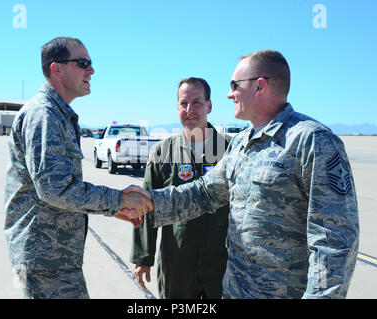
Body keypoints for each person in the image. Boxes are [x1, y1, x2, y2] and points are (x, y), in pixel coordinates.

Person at [125, 50, 360, 299]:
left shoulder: (311, 141)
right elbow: (205, 193)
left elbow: (334, 241)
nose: (230, 94)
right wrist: (147, 202)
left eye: (235, 85)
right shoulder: (241, 144)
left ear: (259, 86)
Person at [3, 37, 151, 299]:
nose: (91, 71)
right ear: (56, 69)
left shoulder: (57, 114)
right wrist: (119, 201)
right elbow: (55, 190)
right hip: (46, 261)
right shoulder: (44, 115)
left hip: (56, 258)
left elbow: (62, 189)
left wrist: (115, 209)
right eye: (83, 63)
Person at [130, 77, 231, 299]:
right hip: (177, 261)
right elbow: (144, 206)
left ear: (209, 106)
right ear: (177, 107)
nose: (190, 109)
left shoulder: (231, 149)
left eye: (197, 102)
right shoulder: (162, 153)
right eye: (184, 103)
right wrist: (143, 258)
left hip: (222, 261)